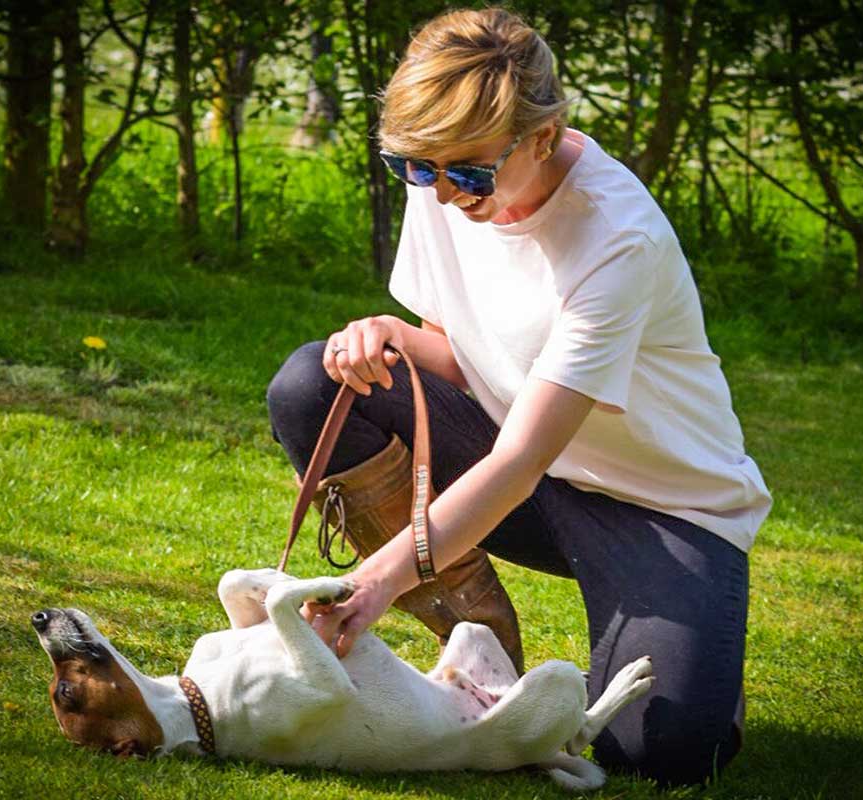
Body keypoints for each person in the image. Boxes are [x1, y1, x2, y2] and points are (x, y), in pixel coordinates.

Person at [266, 6, 771, 787]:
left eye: (467, 174)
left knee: (655, 755)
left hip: (664, 512)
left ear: (543, 135)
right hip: (529, 477)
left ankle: (701, 654)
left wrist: (370, 586)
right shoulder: (446, 173)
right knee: (312, 383)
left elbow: (521, 457)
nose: (440, 194)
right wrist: (390, 335)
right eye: (414, 167)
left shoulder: (616, 237)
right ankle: (472, 625)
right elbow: (461, 357)